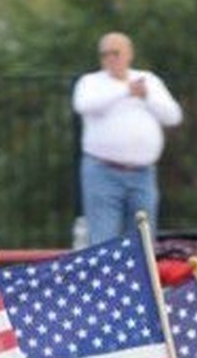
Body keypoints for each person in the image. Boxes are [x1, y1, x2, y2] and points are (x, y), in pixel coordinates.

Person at [74, 31, 184, 241]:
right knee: (103, 241)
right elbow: (84, 105)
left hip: (143, 175)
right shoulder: (91, 82)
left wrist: (146, 96)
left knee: (142, 243)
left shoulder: (148, 81)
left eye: (115, 53)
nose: (110, 58)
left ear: (129, 54)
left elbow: (173, 116)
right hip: (103, 173)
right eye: (104, 54)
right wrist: (125, 91)